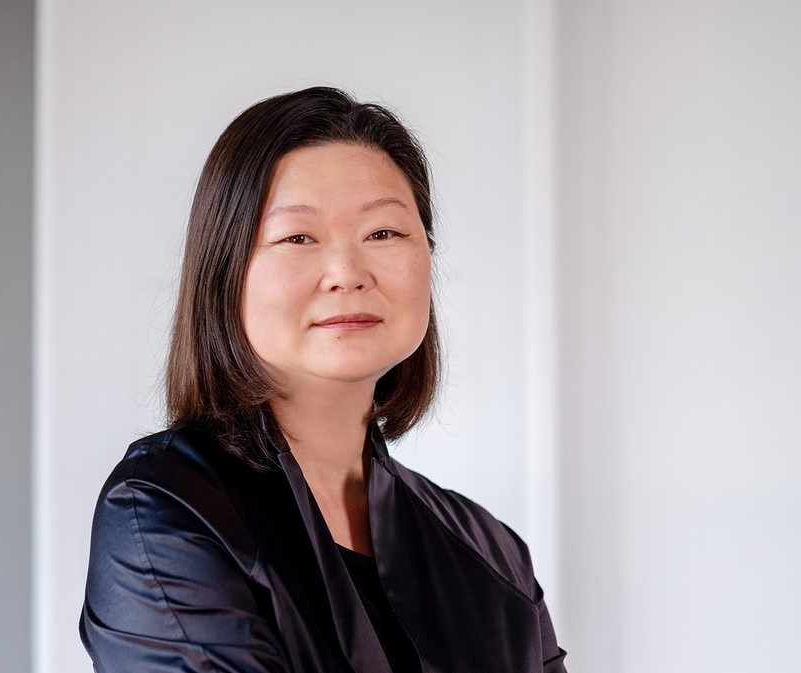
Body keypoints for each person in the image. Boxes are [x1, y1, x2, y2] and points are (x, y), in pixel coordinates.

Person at [79, 86, 567, 673]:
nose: (347, 273)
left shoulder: (494, 556)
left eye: (383, 233)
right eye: (298, 238)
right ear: (225, 272)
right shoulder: (168, 508)